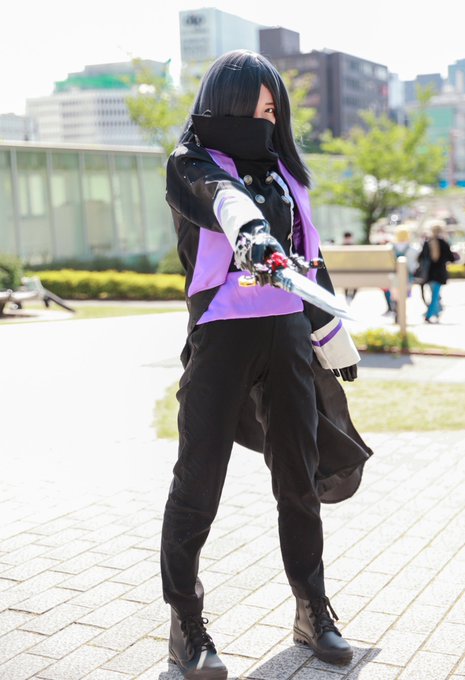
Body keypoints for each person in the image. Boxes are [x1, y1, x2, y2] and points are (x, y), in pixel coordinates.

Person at [160, 50, 373, 679]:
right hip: (221, 339)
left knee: (298, 481)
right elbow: (223, 199)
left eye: (274, 107)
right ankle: (186, 625)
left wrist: (331, 336)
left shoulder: (284, 174)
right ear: (226, 101)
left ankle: (312, 611)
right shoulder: (191, 162)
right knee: (198, 482)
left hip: (285, 337)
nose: (268, 116)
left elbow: (310, 261)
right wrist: (253, 235)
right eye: (260, 104)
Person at [417, 222, 456, 323]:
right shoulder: (444, 243)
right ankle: (430, 314)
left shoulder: (427, 243)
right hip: (439, 273)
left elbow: (420, 258)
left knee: (434, 294)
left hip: (429, 274)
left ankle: (435, 312)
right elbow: (451, 258)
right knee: (435, 295)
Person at [383, 227, 419, 314]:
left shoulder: (389, 247)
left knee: (395, 295)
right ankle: (401, 312)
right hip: (408, 275)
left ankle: (396, 309)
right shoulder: (414, 248)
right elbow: (415, 264)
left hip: (394, 275)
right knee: (404, 295)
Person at [341, 232, 358, 302]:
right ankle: (347, 298)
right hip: (345, 269)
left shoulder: (354, 247)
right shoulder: (341, 247)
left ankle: (351, 298)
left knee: (356, 285)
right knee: (346, 285)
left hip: (354, 269)